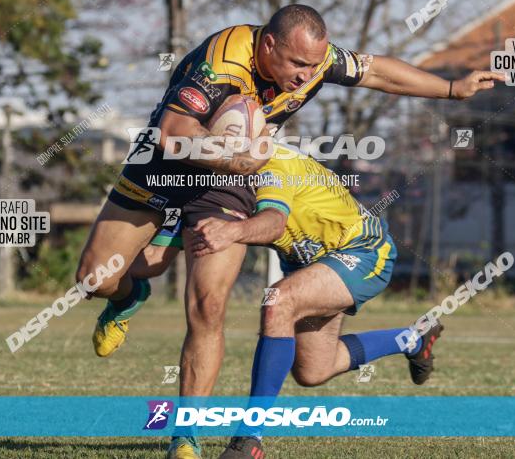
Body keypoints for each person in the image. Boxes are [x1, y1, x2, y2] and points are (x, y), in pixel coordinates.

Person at [75, 4, 502, 458]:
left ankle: (186, 436)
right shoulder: (221, 64)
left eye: (313, 66)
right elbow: (172, 132)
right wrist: (235, 155)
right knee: (96, 279)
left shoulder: (314, 64)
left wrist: (453, 89)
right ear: (269, 45)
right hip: (164, 164)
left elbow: (378, 72)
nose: (305, 76)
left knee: (208, 306)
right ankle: (127, 296)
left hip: (234, 184)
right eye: (297, 65)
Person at [187, 145, 443, 459]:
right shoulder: (218, 174)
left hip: (362, 251)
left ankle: (248, 439)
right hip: (310, 264)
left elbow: (273, 223)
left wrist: (233, 231)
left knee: (278, 300)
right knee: (313, 371)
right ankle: (412, 339)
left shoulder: (272, 164)